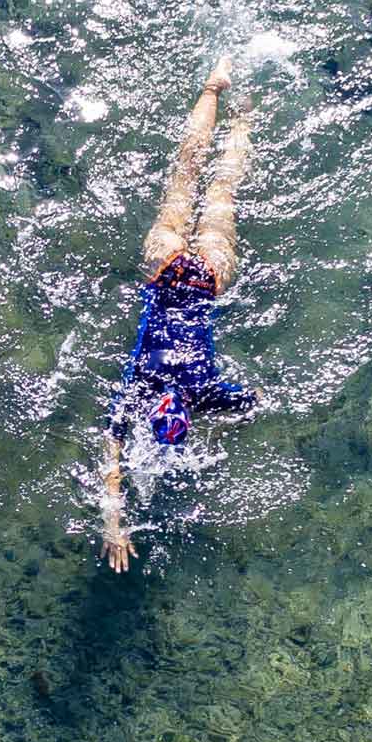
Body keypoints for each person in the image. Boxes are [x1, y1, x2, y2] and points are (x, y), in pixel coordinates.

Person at [100, 55, 258, 573]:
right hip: (164, 267)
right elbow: (113, 452)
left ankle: (233, 103)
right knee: (189, 177)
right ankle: (225, 95)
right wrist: (113, 522)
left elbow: (253, 402)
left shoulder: (199, 391)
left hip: (206, 277)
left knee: (216, 186)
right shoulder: (146, 388)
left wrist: (217, 418)